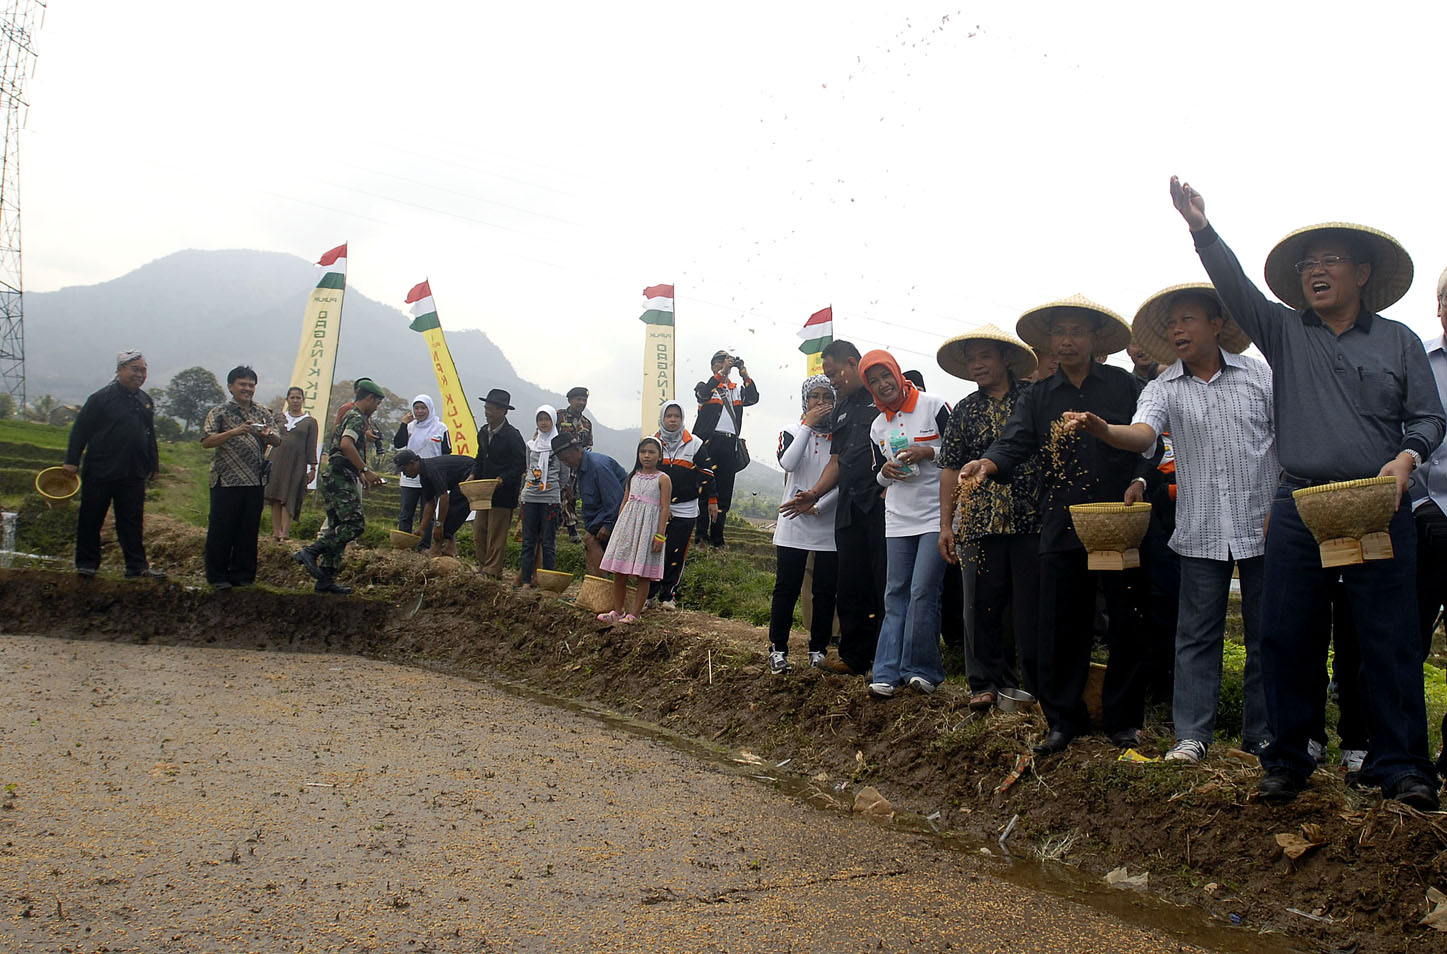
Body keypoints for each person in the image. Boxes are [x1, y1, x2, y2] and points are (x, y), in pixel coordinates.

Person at [1170, 175, 1443, 809]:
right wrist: (1201, 228)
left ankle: (1401, 762)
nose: (1316, 272)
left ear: (1363, 272)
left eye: (1329, 261)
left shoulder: (1399, 341)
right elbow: (1234, 287)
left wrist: (1406, 460)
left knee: (1388, 634)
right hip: (1299, 503)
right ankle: (1289, 756)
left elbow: (1429, 419)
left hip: (1377, 502)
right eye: (1307, 265)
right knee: (1286, 632)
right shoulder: (1286, 332)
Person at [1063, 283, 1274, 763]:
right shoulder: (1163, 388)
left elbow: (1284, 440)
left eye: (1188, 320)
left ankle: (1260, 736)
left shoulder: (1259, 376)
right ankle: (1192, 737)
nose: (1178, 330)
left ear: (1216, 324)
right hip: (1199, 529)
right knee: (1196, 635)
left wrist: (1278, 507)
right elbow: (1142, 434)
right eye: (1172, 323)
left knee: (1266, 635)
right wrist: (1103, 429)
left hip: (1261, 524)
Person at [958, 297, 1150, 755]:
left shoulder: (1125, 387)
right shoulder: (1040, 396)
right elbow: (1015, 441)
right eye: (1059, 332)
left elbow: (1151, 438)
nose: (1066, 340)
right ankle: (1064, 719)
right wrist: (987, 463)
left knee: (1127, 622)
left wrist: (1140, 478)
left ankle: (1124, 721)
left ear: (1096, 339)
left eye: (1076, 332)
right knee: (1062, 624)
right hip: (1062, 520)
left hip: (1120, 518)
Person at [936, 325, 1042, 709]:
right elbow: (949, 469)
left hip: (1032, 518)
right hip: (980, 522)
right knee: (980, 606)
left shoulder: (1034, 399)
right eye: (971, 359)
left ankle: (1034, 688)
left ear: (1006, 359)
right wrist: (947, 525)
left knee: (1030, 609)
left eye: (985, 357)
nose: (977, 365)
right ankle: (984, 684)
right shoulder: (965, 409)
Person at [781, 340, 886, 677]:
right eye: (826, 376)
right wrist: (814, 492)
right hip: (848, 506)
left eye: (835, 373)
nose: (833, 381)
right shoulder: (842, 409)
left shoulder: (882, 401)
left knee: (881, 581)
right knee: (851, 582)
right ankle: (854, 656)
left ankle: (883, 658)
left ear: (853, 363)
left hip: (880, 504)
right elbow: (838, 461)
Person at [861, 350, 952, 697]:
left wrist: (930, 453)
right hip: (898, 517)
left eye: (886, 376)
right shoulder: (877, 425)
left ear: (898, 375)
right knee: (895, 592)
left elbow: (962, 452)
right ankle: (885, 672)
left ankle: (921, 670)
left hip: (935, 514)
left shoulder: (934, 406)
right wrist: (885, 472)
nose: (883, 385)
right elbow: (876, 476)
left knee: (923, 590)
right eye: (874, 381)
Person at [63, 349, 165, 579]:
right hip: (101, 468)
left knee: (132, 520)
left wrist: (154, 464)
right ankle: (87, 563)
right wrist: (71, 461)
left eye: (143, 370)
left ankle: (136, 565)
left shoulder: (145, 400)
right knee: (92, 517)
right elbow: (80, 431)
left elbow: (149, 434)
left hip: (133, 471)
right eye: (135, 369)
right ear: (120, 370)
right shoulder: (101, 398)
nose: (140, 374)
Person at [768, 374, 839, 674]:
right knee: (786, 589)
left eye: (828, 397)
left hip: (827, 524)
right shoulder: (791, 431)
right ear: (805, 401)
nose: (821, 403)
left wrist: (819, 505)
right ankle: (777, 648)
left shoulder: (841, 435)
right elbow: (788, 463)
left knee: (825, 592)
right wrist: (807, 425)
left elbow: (842, 476)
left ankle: (818, 649)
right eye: (815, 397)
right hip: (792, 524)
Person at [295, 379, 386, 594]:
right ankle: (310, 551)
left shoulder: (350, 415)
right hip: (339, 476)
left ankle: (325, 579)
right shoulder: (356, 417)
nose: (377, 408)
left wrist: (358, 471)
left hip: (337, 474)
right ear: (369, 398)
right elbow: (346, 445)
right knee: (355, 525)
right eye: (377, 403)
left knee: (338, 526)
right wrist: (364, 470)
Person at [200, 366, 282, 589]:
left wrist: (268, 434)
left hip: (255, 480)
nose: (247, 389)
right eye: (242, 384)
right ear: (230, 386)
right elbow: (206, 441)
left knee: (248, 530)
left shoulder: (263, 412)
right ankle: (217, 576)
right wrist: (234, 432)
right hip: (226, 479)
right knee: (221, 528)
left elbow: (277, 440)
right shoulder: (220, 412)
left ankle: (243, 575)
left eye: (251, 385)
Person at [1412, 265, 1447, 773]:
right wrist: (1421, 507)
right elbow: (1394, 436)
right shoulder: (1418, 359)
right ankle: (1400, 753)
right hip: (1425, 522)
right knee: (1405, 641)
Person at [598, 437, 672, 624]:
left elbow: (664, 509)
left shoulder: (663, 479)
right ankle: (618, 610)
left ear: (660, 456)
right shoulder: (633, 476)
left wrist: (660, 536)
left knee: (643, 573)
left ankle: (635, 614)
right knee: (619, 571)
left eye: (652, 452)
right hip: (628, 528)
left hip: (648, 531)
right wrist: (619, 528)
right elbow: (625, 501)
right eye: (643, 452)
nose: (647, 456)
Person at [650, 399, 716, 608]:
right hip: (657, 506)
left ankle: (668, 595)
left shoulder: (694, 443)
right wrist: (663, 506)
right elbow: (643, 473)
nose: (672, 420)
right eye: (668, 416)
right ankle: (649, 594)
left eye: (676, 416)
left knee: (675, 552)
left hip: (685, 508)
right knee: (653, 550)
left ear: (682, 419)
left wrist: (712, 500)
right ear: (662, 418)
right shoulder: (652, 442)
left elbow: (707, 474)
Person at [693, 351, 759, 548]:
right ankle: (701, 537)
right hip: (708, 443)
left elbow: (754, 398)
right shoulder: (706, 387)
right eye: (721, 363)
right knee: (705, 489)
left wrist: (743, 372)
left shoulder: (736, 390)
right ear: (714, 366)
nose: (725, 366)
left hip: (729, 445)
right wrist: (722, 372)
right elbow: (703, 394)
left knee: (724, 493)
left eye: (727, 363)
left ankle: (717, 539)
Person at [470, 388, 528, 579]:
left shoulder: (512, 435)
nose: (488, 412)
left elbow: (520, 463)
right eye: (486, 408)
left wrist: (503, 478)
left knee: (496, 533)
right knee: (479, 530)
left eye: (492, 409)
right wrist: (473, 475)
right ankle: (482, 564)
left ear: (503, 411)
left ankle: (492, 570)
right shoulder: (483, 432)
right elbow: (480, 458)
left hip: (503, 493)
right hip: (484, 491)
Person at [552, 433, 626, 576]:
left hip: (614, 516)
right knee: (590, 543)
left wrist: (607, 525)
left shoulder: (598, 466)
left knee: (590, 540)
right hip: (600, 516)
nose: (565, 463)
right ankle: (594, 586)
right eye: (562, 461)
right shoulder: (581, 468)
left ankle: (601, 586)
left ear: (577, 450)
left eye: (566, 459)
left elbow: (615, 499)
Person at [393, 449, 476, 557]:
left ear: (412, 463)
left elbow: (444, 497)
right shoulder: (423, 475)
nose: (404, 474)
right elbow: (430, 502)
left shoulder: (431, 469)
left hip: (470, 475)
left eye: (404, 470)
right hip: (458, 481)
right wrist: (422, 529)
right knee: (449, 510)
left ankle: (437, 548)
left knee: (452, 508)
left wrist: (439, 524)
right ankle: (450, 547)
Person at [518, 405, 563, 588]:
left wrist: (552, 487)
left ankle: (547, 583)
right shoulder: (531, 445)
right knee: (528, 541)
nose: (543, 423)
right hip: (530, 497)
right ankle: (526, 581)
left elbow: (564, 474)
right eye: (540, 419)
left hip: (550, 498)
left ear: (553, 421)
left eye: (547, 419)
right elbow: (529, 467)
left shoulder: (558, 447)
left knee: (548, 542)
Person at [265, 386, 318, 542]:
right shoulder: (279, 418)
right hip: (277, 460)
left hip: (297, 463)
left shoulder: (310, 422)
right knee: (275, 495)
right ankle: (276, 532)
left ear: (303, 400)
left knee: (290, 494)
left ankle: (285, 533)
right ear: (287, 399)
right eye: (292, 398)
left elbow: (311, 446)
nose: (295, 401)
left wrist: (313, 467)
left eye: (298, 398)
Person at [393, 394, 451, 534]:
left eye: (423, 408)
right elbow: (398, 443)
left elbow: (447, 453)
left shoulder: (441, 428)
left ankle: (423, 546)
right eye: (416, 408)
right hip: (409, 479)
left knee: (427, 514)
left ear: (429, 408)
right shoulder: (410, 427)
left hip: (431, 478)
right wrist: (403, 424)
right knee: (406, 514)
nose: (419, 411)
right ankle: (404, 542)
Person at [557, 386, 593, 544]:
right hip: (557, 463)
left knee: (570, 495)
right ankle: (558, 525)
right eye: (578, 399)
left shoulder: (586, 423)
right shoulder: (559, 416)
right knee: (557, 494)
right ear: (570, 400)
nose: (581, 402)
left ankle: (571, 528)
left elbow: (589, 445)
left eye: (584, 400)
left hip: (576, 465)